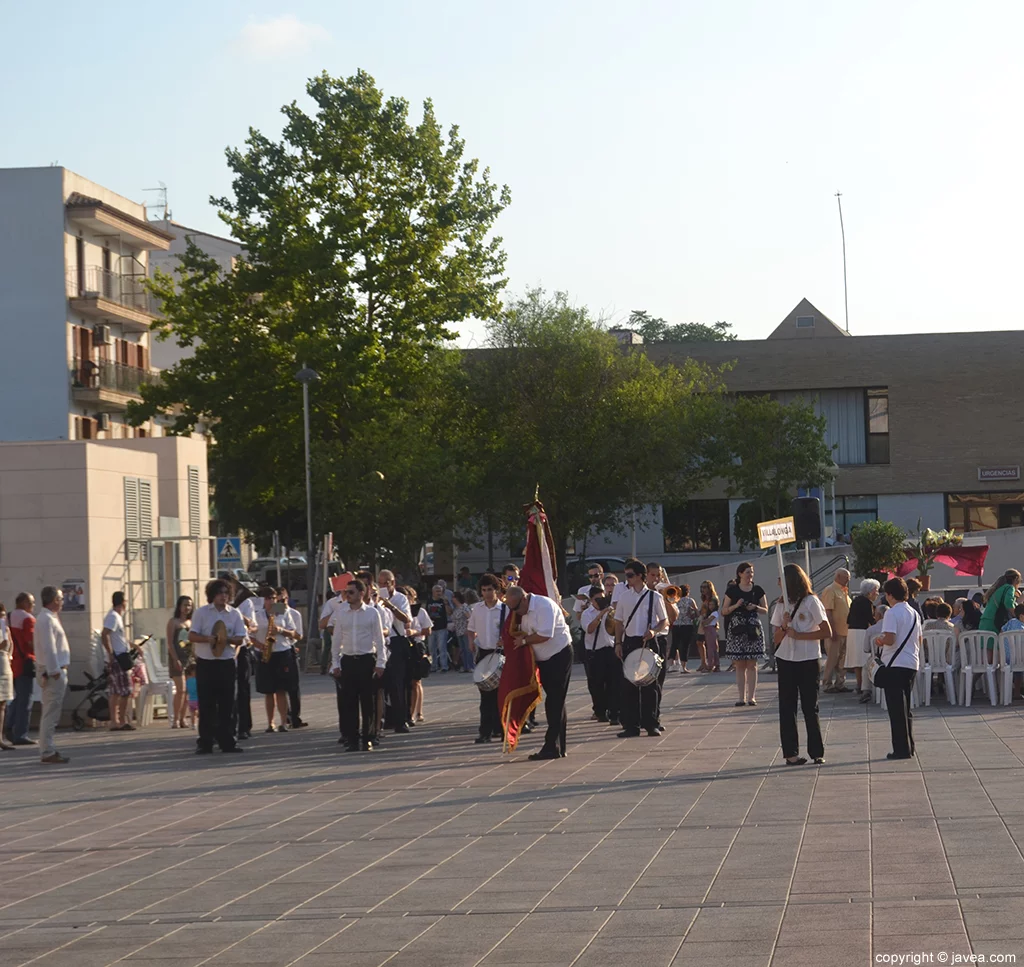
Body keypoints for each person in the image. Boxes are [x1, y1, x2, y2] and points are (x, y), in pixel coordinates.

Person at [771, 564, 831, 766]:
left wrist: (800, 635)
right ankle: (791, 753)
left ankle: (816, 751)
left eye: (781, 579)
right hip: (786, 659)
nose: (778, 583)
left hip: (808, 660)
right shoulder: (781, 604)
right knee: (787, 707)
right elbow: (776, 638)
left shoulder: (811, 601)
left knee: (810, 707)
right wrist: (784, 625)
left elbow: (826, 631)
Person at [506, 584, 573, 760]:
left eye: (517, 607)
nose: (516, 612)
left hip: (559, 655)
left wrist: (524, 641)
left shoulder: (544, 606)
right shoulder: (522, 611)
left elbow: (545, 635)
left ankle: (552, 746)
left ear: (525, 598)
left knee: (555, 701)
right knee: (556, 701)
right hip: (543, 659)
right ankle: (558, 746)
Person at [188, 579, 247, 755]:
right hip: (206, 662)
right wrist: (208, 639)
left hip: (226, 662)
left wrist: (225, 640)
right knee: (206, 703)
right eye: (220, 593)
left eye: (226, 593)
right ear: (212, 595)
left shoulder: (234, 614)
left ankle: (228, 741)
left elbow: (241, 638)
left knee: (228, 703)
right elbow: (192, 635)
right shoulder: (202, 613)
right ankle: (205, 742)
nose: (223, 596)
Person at [614, 558, 669, 738]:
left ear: (639, 576)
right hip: (630, 642)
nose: (627, 579)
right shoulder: (624, 597)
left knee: (649, 686)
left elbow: (664, 621)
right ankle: (631, 725)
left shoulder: (655, 596)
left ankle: (651, 723)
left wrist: (653, 631)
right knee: (628, 686)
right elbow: (619, 622)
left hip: (648, 642)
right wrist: (618, 643)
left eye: (630, 575)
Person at [329, 579, 386, 752]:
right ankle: (352, 739)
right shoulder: (341, 612)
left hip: (366, 659)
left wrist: (381, 662)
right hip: (348, 659)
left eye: (351, 592)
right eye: (346, 592)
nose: (347, 596)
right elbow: (336, 638)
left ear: (362, 593)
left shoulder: (372, 613)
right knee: (349, 702)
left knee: (368, 702)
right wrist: (335, 663)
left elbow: (379, 639)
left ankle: (368, 738)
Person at [873, 577, 922, 760]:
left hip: (894, 664)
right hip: (911, 663)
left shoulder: (891, 613)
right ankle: (910, 746)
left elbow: (890, 638)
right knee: (906, 708)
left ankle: (900, 749)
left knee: (896, 709)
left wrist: (880, 639)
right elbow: (919, 639)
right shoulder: (914, 613)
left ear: (890, 595)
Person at [467, 574, 507, 743]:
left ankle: (503, 729)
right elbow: (471, 628)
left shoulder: (505, 609)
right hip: (484, 653)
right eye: (484, 590)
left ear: (497, 590)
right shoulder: (477, 609)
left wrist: (505, 640)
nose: (487, 593)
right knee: (485, 695)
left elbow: (513, 629)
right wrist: (471, 642)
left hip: (501, 654)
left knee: (501, 694)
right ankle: (485, 731)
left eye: (490, 589)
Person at [721, 563, 768, 706]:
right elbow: (724, 611)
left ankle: (752, 697)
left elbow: (765, 610)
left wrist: (755, 607)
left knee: (752, 664)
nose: (750, 575)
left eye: (752, 572)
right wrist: (736, 605)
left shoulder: (758, 590)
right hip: (737, 628)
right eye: (747, 572)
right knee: (740, 664)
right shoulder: (732, 590)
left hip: (753, 627)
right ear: (740, 573)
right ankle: (741, 697)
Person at [253, 586, 296, 733]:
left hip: (281, 652)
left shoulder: (282, 611)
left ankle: (283, 722)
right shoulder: (258, 615)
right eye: (267, 598)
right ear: (263, 601)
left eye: (272, 598)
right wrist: (261, 646)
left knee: (281, 689)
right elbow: (251, 636)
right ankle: (270, 722)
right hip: (266, 653)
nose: (270, 601)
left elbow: (294, 632)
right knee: (268, 690)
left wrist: (280, 630)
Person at [36, 586, 70, 764]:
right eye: (61, 599)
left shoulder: (50, 618)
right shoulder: (46, 619)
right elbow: (49, 647)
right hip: (53, 672)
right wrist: (54, 670)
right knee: (50, 713)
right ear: (54, 600)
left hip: (56, 669)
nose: (62, 602)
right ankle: (47, 750)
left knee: (51, 712)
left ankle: (48, 748)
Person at [378, 570, 412, 733]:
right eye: (381, 583)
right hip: (380, 643)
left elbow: (406, 619)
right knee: (380, 684)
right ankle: (384, 719)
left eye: (387, 583)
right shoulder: (373, 600)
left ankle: (401, 720)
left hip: (396, 640)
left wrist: (389, 605)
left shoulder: (401, 598)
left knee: (397, 683)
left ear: (393, 583)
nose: (384, 586)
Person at [581, 586, 620, 725]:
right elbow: (589, 629)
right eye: (597, 599)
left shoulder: (611, 612)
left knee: (613, 683)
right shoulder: (587, 613)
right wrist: (600, 615)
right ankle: (600, 712)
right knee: (596, 685)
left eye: (602, 598)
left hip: (610, 649)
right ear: (591, 600)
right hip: (595, 652)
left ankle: (614, 712)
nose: (600, 601)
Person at [6, 593, 36, 746]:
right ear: (24, 602)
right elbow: (31, 642)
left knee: (16, 698)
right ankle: (21, 734)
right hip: (25, 662)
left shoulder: (8, 617)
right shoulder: (28, 619)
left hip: (11, 663)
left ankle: (9, 727)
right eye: (32, 602)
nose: (33, 606)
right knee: (25, 699)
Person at [102, 591, 135, 731]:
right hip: (118, 657)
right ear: (123, 602)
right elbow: (105, 635)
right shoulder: (113, 617)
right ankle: (120, 720)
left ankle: (116, 721)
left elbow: (119, 637)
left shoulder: (116, 617)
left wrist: (134, 646)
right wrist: (110, 654)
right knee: (125, 690)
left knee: (116, 691)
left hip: (121, 654)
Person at [276, 588, 307, 728]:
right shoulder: (273, 612)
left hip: (289, 648)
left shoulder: (294, 613)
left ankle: (295, 716)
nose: (280, 603)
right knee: (279, 687)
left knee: (293, 686)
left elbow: (299, 635)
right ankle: (285, 716)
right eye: (277, 600)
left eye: (282, 600)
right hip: (276, 650)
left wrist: (283, 631)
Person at [819, 569, 852, 693]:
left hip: (846, 631)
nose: (848, 580)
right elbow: (828, 612)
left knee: (842, 660)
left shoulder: (844, 591)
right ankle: (827, 684)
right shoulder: (830, 590)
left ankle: (840, 683)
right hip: (835, 632)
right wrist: (832, 631)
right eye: (846, 577)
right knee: (832, 659)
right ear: (838, 576)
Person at [232, 587, 258, 741]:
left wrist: (238, 614)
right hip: (224, 650)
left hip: (242, 649)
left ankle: (244, 727)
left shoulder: (247, 603)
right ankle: (229, 726)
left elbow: (253, 626)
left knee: (243, 689)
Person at [847, 579, 879, 702]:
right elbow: (871, 619)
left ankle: (859, 684)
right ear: (871, 592)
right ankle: (864, 686)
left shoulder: (855, 600)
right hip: (861, 632)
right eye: (876, 591)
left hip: (852, 631)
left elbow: (848, 619)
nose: (877, 594)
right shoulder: (867, 603)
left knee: (856, 660)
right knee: (864, 659)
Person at [166, 596, 193, 729]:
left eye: (189, 605)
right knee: (180, 689)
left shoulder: (191, 622)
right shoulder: (173, 622)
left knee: (188, 690)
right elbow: (170, 643)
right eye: (184, 605)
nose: (187, 608)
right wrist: (175, 659)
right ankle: (175, 719)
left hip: (189, 659)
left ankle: (183, 718)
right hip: (176, 658)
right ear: (179, 606)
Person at [407, 587, 432, 724]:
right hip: (405, 646)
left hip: (417, 645)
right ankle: (412, 710)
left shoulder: (420, 611)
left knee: (416, 680)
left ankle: (417, 711)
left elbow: (428, 630)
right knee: (410, 681)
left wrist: (414, 632)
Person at [670, 584, 697, 674]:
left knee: (674, 644)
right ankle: (683, 666)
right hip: (687, 625)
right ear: (687, 592)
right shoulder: (690, 601)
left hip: (676, 624)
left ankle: (670, 664)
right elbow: (696, 612)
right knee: (685, 646)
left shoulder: (674, 600)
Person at [426, 584, 451, 672]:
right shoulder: (429, 601)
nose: (439, 593)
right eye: (437, 591)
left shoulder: (443, 601)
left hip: (442, 627)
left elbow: (449, 613)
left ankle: (444, 666)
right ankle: (434, 666)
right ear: (433, 592)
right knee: (431, 648)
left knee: (442, 647)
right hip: (432, 628)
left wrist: (446, 603)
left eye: (440, 591)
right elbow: (426, 613)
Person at [0, 604, 13, 751]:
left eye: (3, 615)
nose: (2, 618)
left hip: (4, 665)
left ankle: (0, 738)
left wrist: (9, 654)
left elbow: (11, 644)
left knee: (2, 703)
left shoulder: (5, 629)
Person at [451, 592, 473, 672]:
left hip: (465, 631)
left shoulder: (464, 607)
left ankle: (470, 666)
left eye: (453, 597)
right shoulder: (456, 608)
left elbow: (470, 618)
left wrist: (468, 629)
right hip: (458, 631)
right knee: (462, 650)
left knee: (468, 649)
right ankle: (464, 666)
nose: (452, 599)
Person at [184, 663, 199, 728]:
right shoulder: (198, 680)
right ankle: (200, 724)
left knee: (193, 713)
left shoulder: (188, 681)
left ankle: (193, 724)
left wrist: (186, 697)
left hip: (191, 700)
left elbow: (186, 690)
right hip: (198, 699)